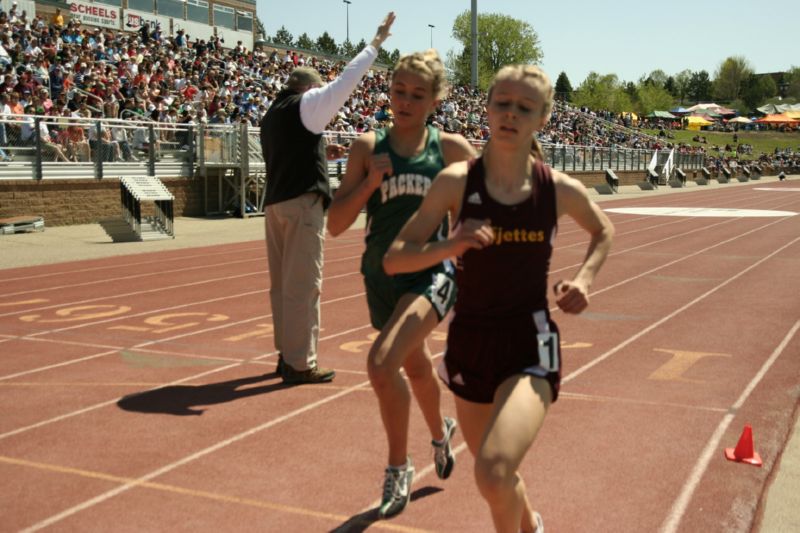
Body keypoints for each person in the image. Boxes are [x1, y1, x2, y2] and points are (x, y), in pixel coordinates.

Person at [383, 64, 615, 532]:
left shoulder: (556, 189)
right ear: (487, 108)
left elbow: (603, 230)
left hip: (530, 343)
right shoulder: (455, 182)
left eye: (524, 107)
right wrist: (452, 244)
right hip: (470, 340)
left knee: (492, 469)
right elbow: (395, 259)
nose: (510, 114)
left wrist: (585, 280)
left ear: (543, 118)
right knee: (495, 478)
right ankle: (530, 526)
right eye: (502, 103)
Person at [326, 50, 476, 518]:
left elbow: (480, 213)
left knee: (380, 363)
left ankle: (398, 467)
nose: (405, 102)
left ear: (435, 100)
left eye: (417, 95)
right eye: (398, 91)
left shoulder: (450, 150)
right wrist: (369, 183)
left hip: (432, 275)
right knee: (414, 368)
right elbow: (335, 224)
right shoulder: (367, 147)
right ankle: (441, 432)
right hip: (381, 276)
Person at [260, 12, 395, 385]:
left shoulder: (272, 114)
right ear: (308, 90)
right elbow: (346, 81)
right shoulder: (308, 103)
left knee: (282, 287)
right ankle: (301, 363)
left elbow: (294, 149)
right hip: (303, 205)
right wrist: (376, 42)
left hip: (275, 205)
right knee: (304, 286)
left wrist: (323, 151)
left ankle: (286, 354)